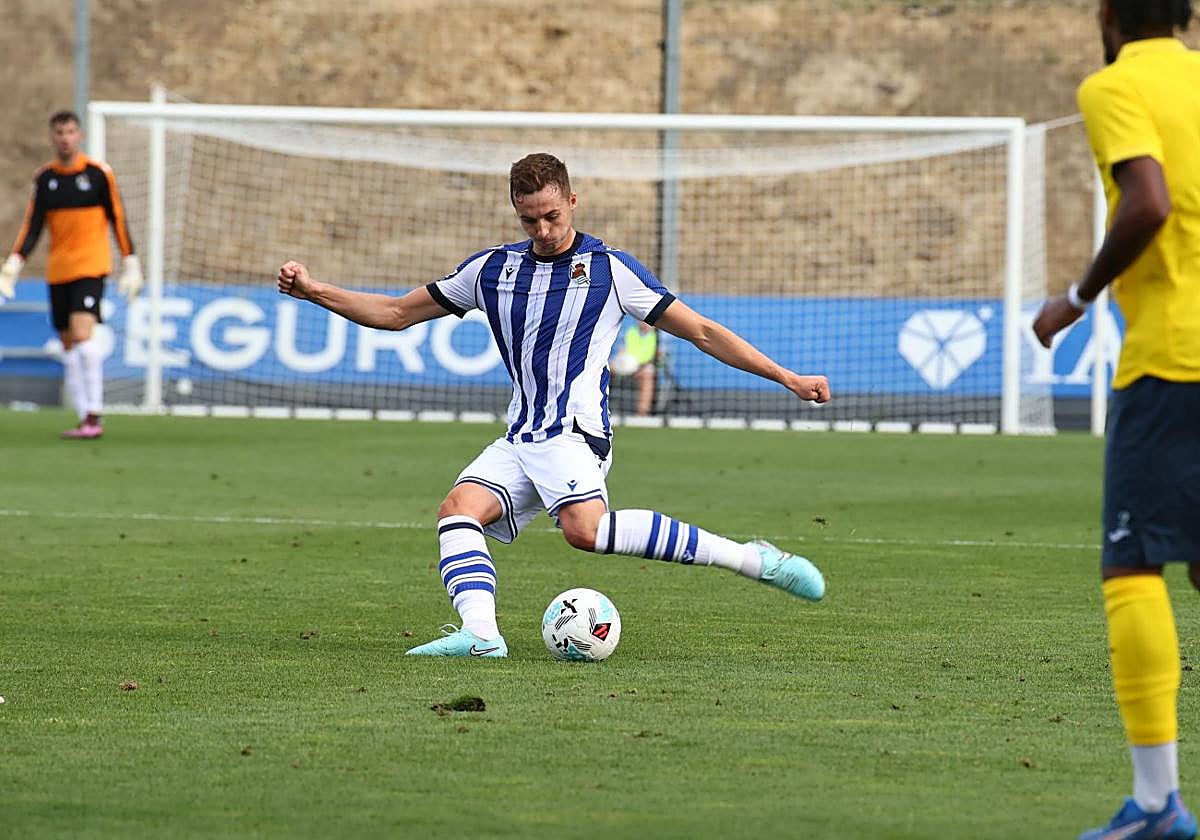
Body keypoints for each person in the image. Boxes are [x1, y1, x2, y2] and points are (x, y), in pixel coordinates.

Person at [278, 152, 831, 658]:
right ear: (516, 213)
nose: (542, 230)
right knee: (457, 512)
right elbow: (397, 313)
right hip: (522, 434)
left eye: (551, 217)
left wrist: (786, 377)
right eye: (529, 220)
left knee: (585, 532)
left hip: (573, 430)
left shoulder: (611, 269)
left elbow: (704, 332)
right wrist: (315, 290)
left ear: (572, 201)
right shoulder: (491, 270)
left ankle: (754, 560)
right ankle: (482, 636)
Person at [1033, 2, 1200, 837]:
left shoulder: (1114, 85)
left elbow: (1148, 202)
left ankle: (1154, 803)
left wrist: (1075, 297)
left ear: (1108, 13)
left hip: (1175, 361)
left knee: (1135, 567)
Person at [0, 110, 142, 439]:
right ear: (52, 137)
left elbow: (118, 220)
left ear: (80, 136)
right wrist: (14, 264)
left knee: (82, 337)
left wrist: (131, 261)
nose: (65, 138)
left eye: (71, 131)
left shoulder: (98, 174)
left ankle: (94, 415)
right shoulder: (45, 178)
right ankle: (84, 417)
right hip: (58, 270)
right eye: (60, 132)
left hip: (91, 267)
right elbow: (32, 225)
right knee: (68, 345)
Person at [612, 320, 660, 416]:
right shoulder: (630, 332)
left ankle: (642, 412)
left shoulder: (657, 337)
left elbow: (659, 357)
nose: (644, 323)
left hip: (643, 368)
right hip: (627, 367)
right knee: (608, 368)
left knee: (648, 374)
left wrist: (641, 366)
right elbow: (621, 350)